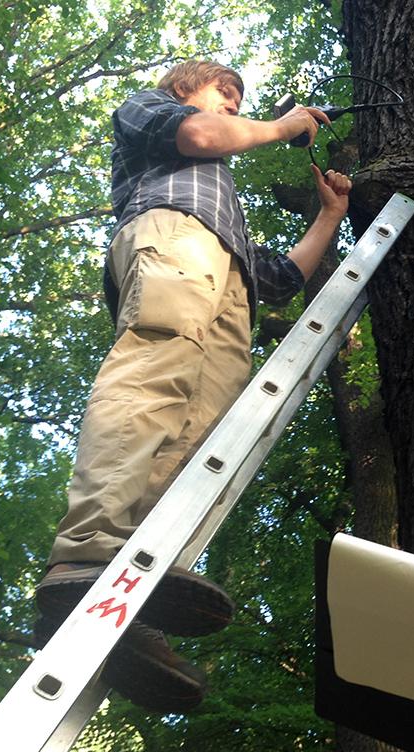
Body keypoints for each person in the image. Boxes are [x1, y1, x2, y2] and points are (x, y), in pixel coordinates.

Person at [33, 60, 352, 712]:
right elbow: (202, 136)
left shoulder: (222, 197)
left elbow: (278, 278)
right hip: (173, 238)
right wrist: (284, 124)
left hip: (229, 287)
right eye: (224, 93)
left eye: (241, 98)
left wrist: (332, 216)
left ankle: (127, 603)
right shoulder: (150, 114)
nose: (235, 106)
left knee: (203, 439)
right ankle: (85, 554)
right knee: (156, 376)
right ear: (183, 90)